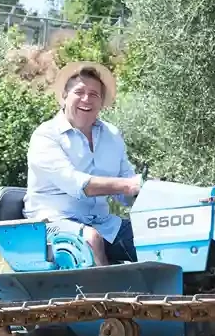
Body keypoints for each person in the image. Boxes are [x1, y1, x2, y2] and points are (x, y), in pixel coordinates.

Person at [23, 61, 142, 266]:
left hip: (104, 224)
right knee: (91, 239)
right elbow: (76, 184)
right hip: (51, 224)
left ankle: (182, 292)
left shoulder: (111, 135)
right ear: (64, 97)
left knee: (155, 238)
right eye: (79, 92)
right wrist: (129, 185)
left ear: (102, 101)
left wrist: (153, 195)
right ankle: (106, 297)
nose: (86, 99)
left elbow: (127, 192)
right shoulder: (46, 136)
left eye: (94, 94)